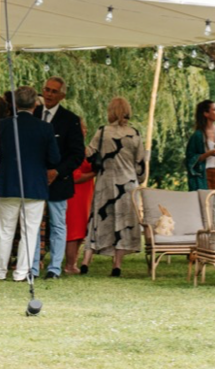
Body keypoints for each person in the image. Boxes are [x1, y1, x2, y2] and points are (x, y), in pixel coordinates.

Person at [0, 85, 61, 283]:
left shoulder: (3, 125)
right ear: (35, 104)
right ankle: (21, 273)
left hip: (8, 183)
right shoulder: (45, 128)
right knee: (30, 232)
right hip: (35, 186)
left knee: (4, 230)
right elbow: (54, 159)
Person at [81, 98, 147, 277]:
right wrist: (139, 179)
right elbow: (140, 163)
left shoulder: (103, 132)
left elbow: (89, 153)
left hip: (105, 182)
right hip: (127, 184)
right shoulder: (134, 133)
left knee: (97, 219)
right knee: (122, 222)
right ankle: (117, 264)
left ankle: (86, 260)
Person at [36, 76, 86, 280]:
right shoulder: (34, 113)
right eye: (46, 89)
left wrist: (57, 172)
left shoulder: (70, 119)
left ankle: (54, 268)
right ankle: (31, 266)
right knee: (33, 224)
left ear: (62, 96)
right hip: (35, 179)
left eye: (54, 91)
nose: (48, 94)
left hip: (59, 180)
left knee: (57, 224)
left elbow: (77, 154)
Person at [63, 123, 94, 276]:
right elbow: (75, 176)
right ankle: (69, 264)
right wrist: (94, 173)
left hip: (86, 194)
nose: (85, 130)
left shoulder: (84, 148)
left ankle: (73, 262)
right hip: (75, 194)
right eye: (82, 127)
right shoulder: (72, 149)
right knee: (73, 231)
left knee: (81, 231)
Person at [186, 100, 215, 193]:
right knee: (206, 203)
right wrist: (208, 154)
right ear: (206, 113)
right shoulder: (198, 135)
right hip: (204, 176)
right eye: (214, 110)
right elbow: (189, 159)